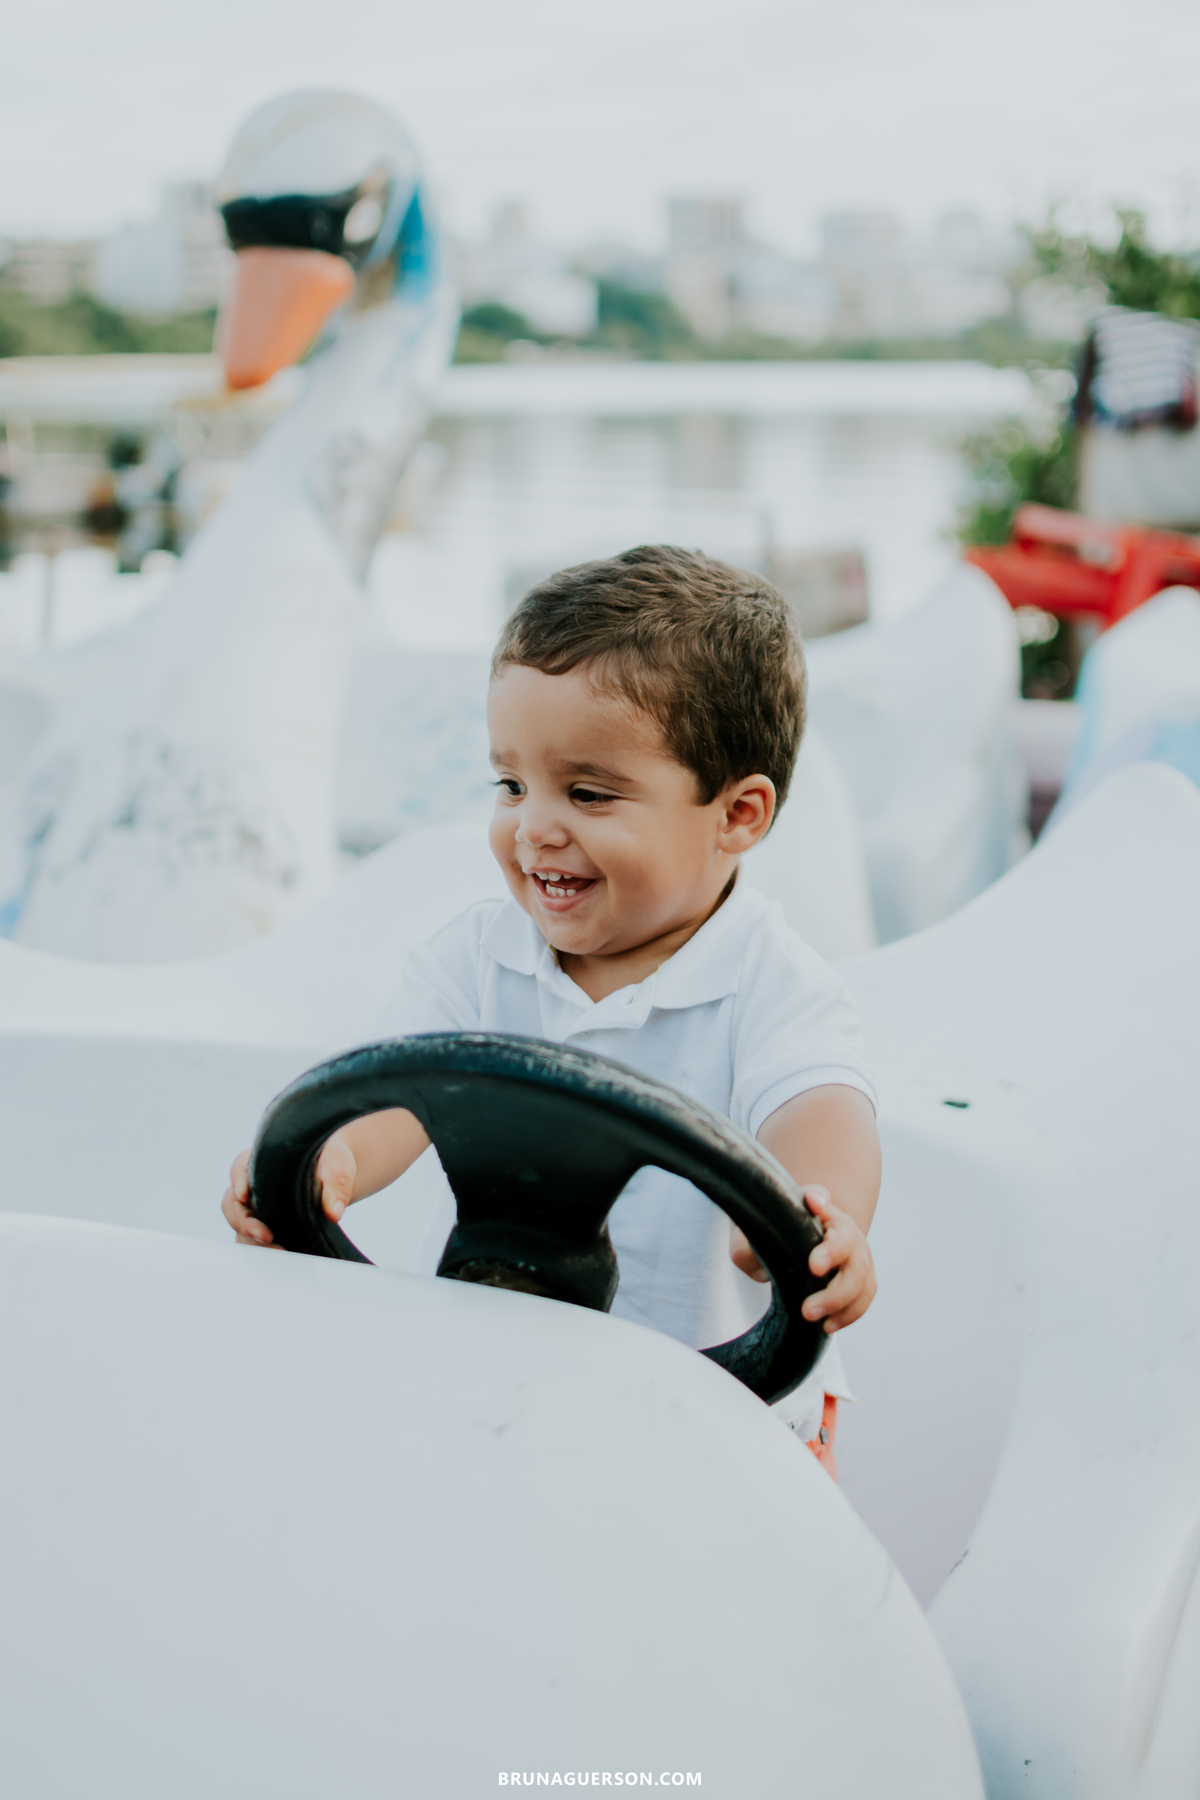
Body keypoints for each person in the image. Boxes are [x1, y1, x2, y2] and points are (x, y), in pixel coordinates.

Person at [223, 545, 880, 1476]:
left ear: (737, 816)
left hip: (721, 1416)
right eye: (510, 785)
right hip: (496, 1385)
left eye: (588, 793)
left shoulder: (774, 989)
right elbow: (392, 1098)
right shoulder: (476, 959)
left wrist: (823, 1219)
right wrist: (323, 1162)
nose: (533, 827)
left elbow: (821, 1110)